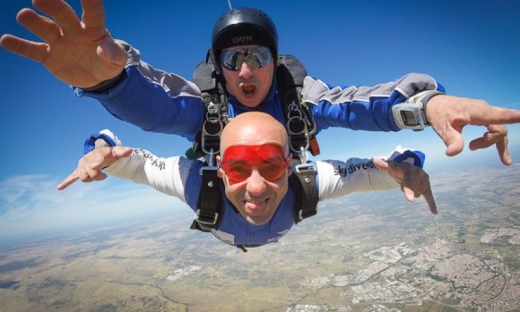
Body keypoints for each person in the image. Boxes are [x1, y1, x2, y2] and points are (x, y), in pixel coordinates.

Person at [2, 0, 519, 165]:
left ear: (277, 62)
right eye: (230, 61)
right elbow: (160, 106)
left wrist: (427, 104)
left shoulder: (302, 100)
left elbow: (363, 104)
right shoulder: (207, 109)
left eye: (258, 57)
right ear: (218, 69)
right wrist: (106, 82)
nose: (245, 70)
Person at [58, 112, 436, 249]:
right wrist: (102, 150)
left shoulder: (308, 181)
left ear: (290, 165)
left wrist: (408, 168)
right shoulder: (196, 181)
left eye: (271, 166)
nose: (256, 187)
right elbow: (137, 163)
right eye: (238, 168)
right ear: (220, 169)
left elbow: (373, 171)